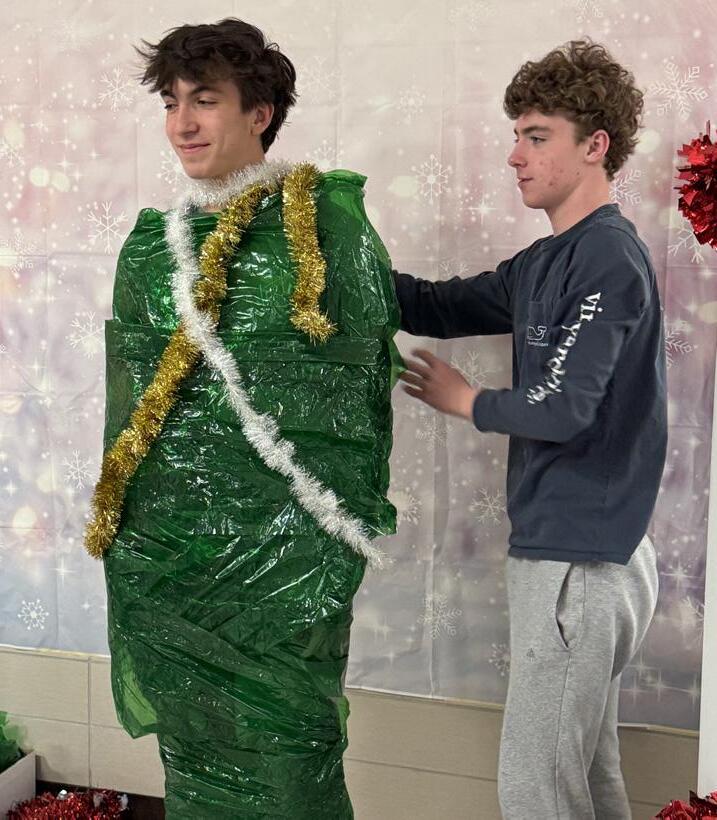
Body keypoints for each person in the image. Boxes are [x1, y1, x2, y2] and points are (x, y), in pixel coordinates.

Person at [84, 18, 400, 819]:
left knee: (290, 760)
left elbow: (355, 402)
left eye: (205, 100)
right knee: (194, 753)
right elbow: (131, 419)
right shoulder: (151, 250)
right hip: (173, 562)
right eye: (171, 102)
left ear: (259, 112)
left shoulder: (324, 230)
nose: (181, 123)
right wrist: (131, 549)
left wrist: (330, 546)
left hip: (287, 561)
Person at [395, 40, 666, 819]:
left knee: (535, 789)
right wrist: (333, 256)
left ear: (594, 145)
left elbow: (563, 408)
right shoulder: (547, 261)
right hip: (577, 553)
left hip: (582, 562)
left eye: (536, 136)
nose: (514, 155)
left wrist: (467, 401)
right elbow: (436, 304)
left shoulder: (607, 258)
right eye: (515, 134)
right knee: (586, 778)